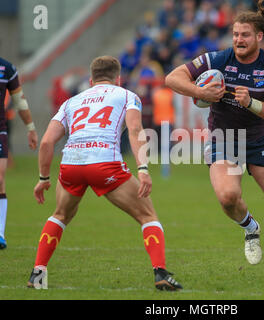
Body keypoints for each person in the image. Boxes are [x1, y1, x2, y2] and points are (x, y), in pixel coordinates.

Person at [165, 0, 264, 278]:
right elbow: (172, 78)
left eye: (245, 35)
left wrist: (251, 102)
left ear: (259, 37)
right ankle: (250, 227)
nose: (239, 39)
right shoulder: (217, 59)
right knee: (228, 197)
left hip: (259, 141)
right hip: (224, 140)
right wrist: (200, 92)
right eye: (236, 34)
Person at [27, 56, 182, 291]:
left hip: (71, 164)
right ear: (118, 79)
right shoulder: (127, 95)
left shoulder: (71, 102)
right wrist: (142, 169)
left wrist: (43, 179)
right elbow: (135, 129)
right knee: (148, 216)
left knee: (60, 215)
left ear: (91, 80)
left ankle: (38, 275)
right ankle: (160, 273)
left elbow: (47, 142)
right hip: (104, 163)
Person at [0, 57, 38, 249]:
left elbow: (19, 101)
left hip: (0, 130)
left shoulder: (6, 68)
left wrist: (30, 128)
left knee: (0, 179)